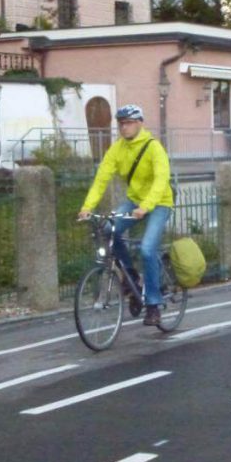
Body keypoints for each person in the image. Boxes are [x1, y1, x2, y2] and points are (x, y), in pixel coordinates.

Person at [78, 104, 174, 326]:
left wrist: (146, 206)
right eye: (121, 124)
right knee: (108, 229)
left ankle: (153, 304)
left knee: (147, 248)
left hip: (159, 203)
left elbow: (161, 180)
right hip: (134, 201)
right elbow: (101, 178)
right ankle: (131, 277)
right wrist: (87, 207)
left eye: (129, 123)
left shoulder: (154, 148)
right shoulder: (117, 149)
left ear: (140, 123)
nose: (124, 128)